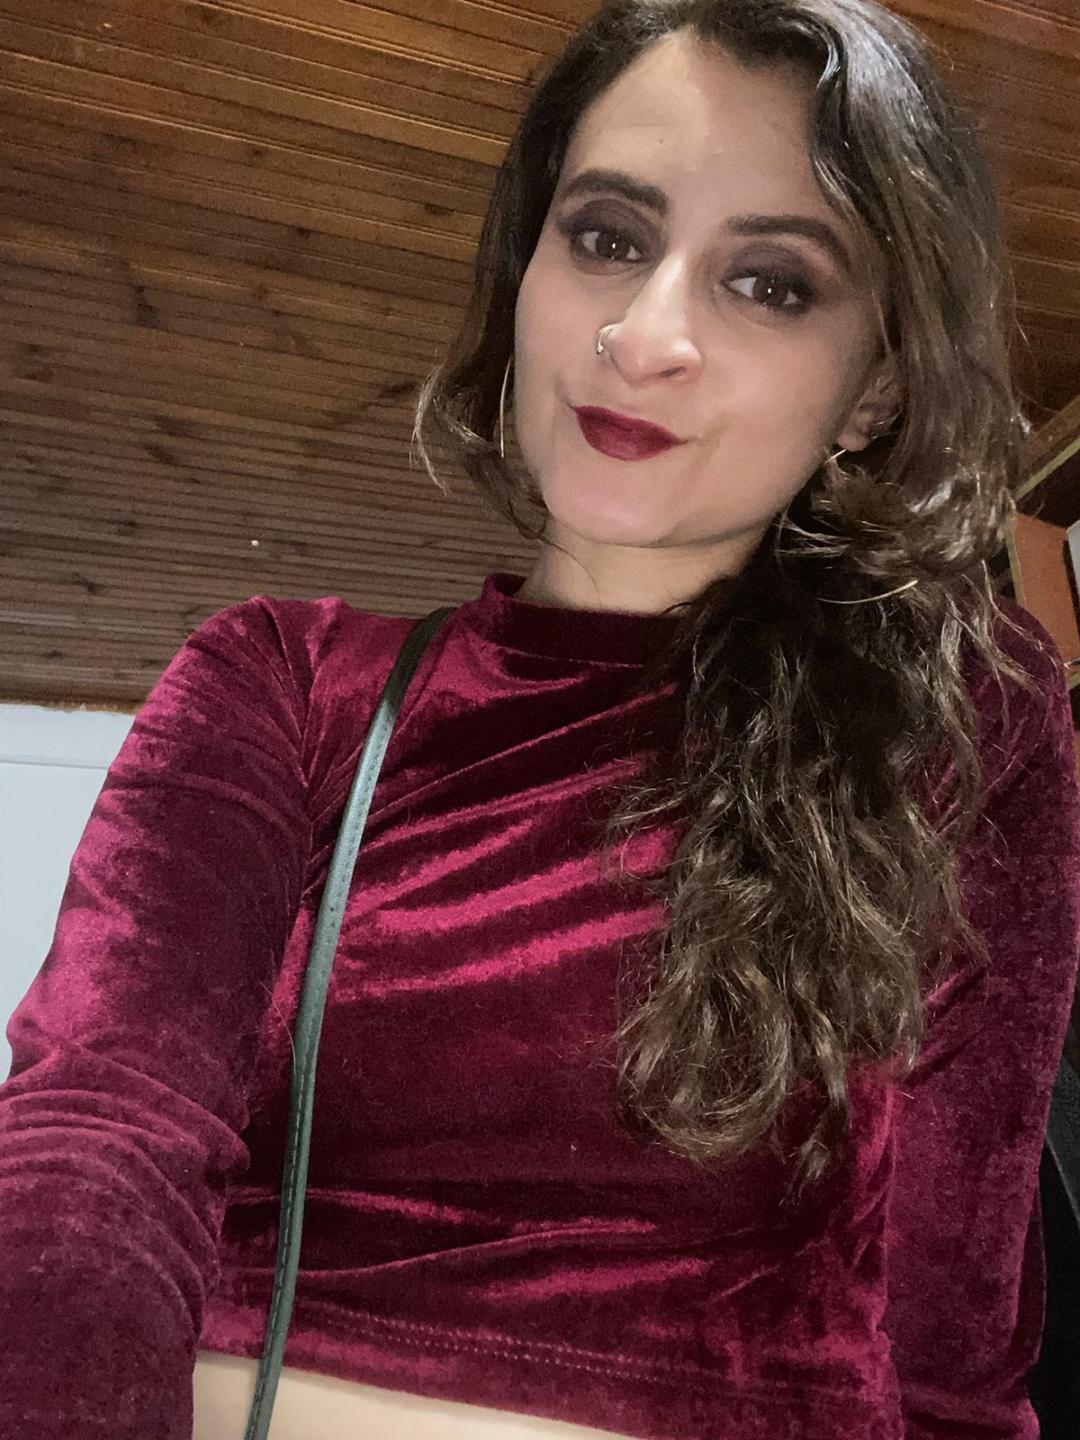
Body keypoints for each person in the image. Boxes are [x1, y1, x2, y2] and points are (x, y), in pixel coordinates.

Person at [2, 1, 1078, 1437]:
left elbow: (950, 1334)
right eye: (608, 238)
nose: (646, 335)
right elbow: (96, 1136)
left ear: (873, 390)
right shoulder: (285, 682)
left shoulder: (958, 720)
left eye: (771, 282)